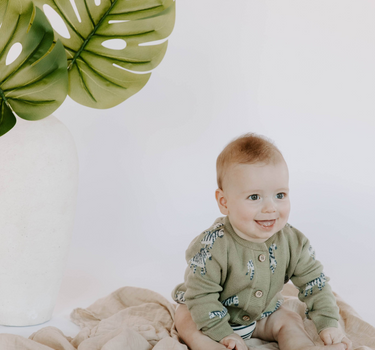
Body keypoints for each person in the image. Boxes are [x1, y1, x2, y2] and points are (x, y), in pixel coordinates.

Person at [172, 133, 352, 350]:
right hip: (208, 314)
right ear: (224, 202)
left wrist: (328, 324)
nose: (270, 208)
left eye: (280, 195)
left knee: (289, 319)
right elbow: (201, 296)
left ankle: (302, 347)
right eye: (255, 197)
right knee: (186, 318)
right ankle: (209, 345)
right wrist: (222, 332)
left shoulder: (293, 241)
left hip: (262, 314)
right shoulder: (212, 246)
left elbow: (315, 283)